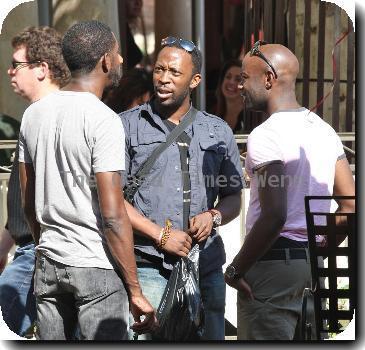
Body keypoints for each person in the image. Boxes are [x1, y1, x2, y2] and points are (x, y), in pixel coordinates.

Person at [18, 20, 156, 340]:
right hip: (95, 268)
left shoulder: (34, 113)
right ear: (105, 61)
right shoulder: (103, 119)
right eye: (118, 54)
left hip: (49, 263)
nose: (121, 60)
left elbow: (28, 200)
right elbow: (112, 214)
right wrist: (135, 290)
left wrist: (44, 245)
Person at [224, 41, 355, 340]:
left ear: (268, 78)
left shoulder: (265, 135)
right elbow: (351, 206)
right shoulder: (324, 130)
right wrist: (317, 248)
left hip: (271, 267)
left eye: (245, 77)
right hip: (310, 268)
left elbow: (274, 215)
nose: (240, 85)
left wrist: (235, 270)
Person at [120, 36, 244, 340]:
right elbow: (111, 200)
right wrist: (160, 235)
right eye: (159, 70)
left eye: (174, 73)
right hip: (148, 266)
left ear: (195, 80)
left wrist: (213, 216)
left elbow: (233, 196)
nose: (163, 79)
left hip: (206, 268)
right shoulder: (125, 125)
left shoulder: (217, 130)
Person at [0, 26, 70, 337]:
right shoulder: (34, 116)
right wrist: (3, 247)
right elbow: (20, 204)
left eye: (17, 64)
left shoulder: (58, 116)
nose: (10, 71)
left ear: (42, 69)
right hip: (30, 251)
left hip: (46, 252)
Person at [215, 59, 246, 134]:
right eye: (228, 77)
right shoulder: (212, 115)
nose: (231, 82)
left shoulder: (248, 119)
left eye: (238, 79)